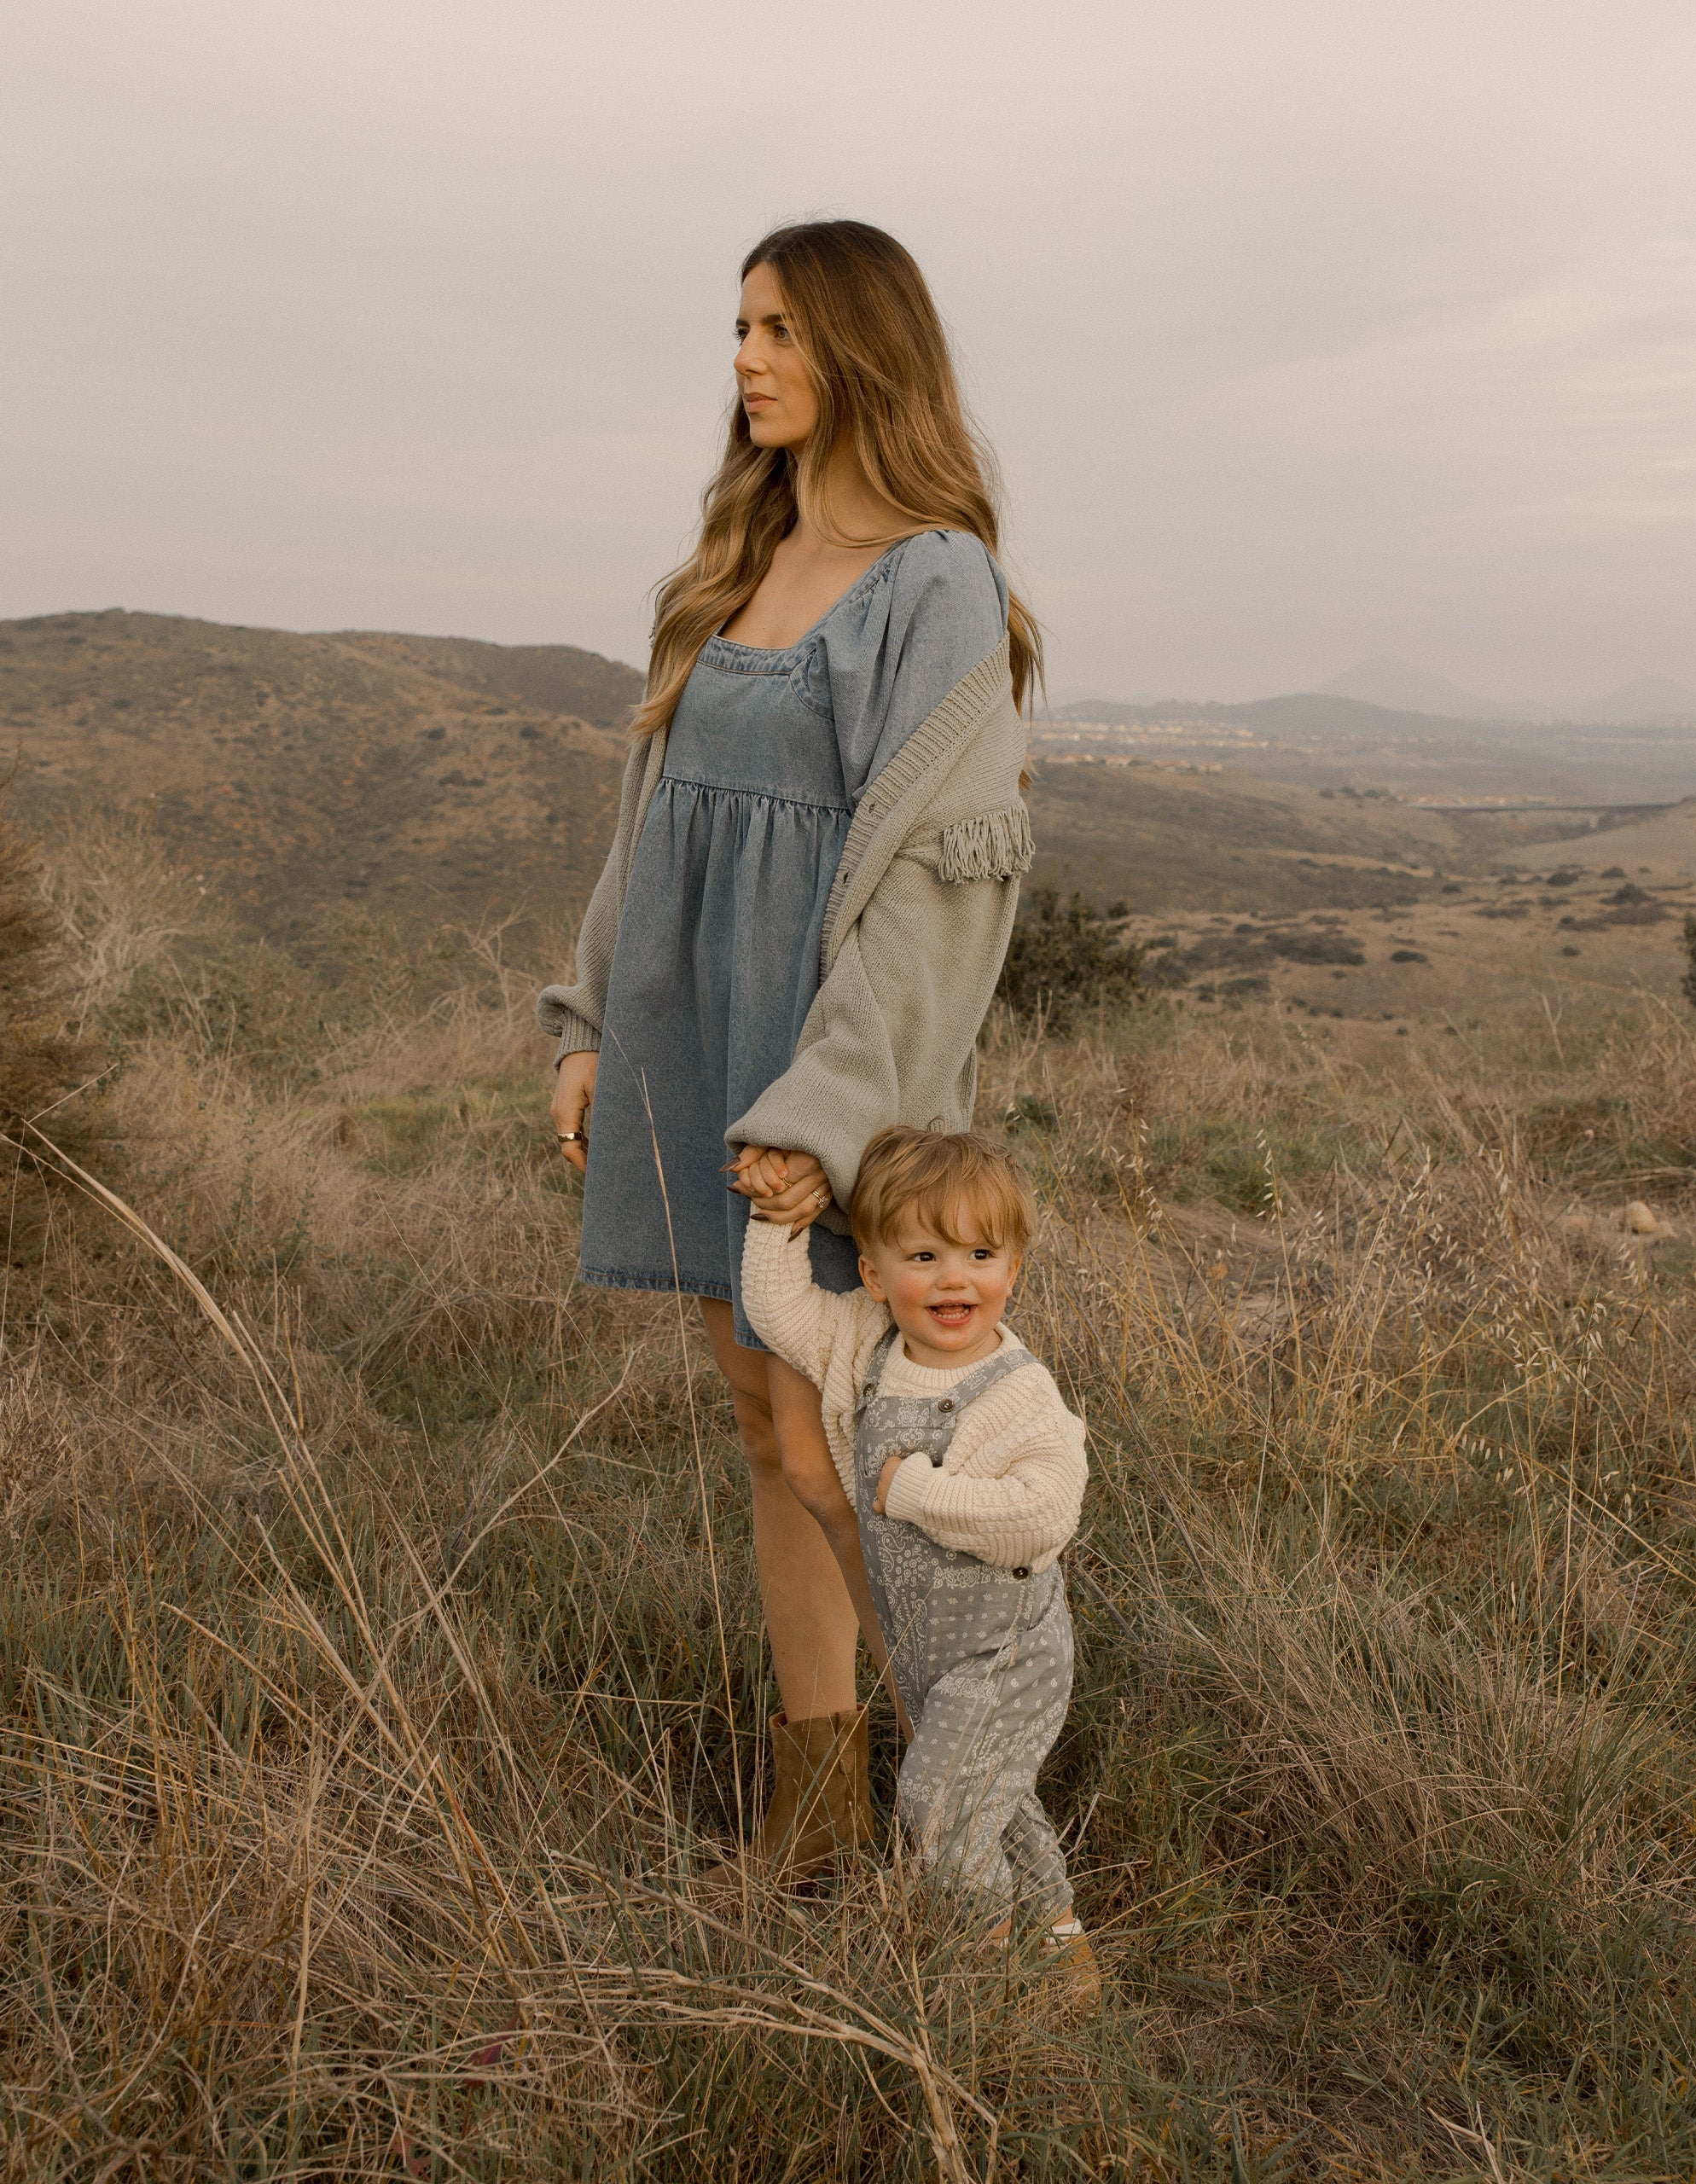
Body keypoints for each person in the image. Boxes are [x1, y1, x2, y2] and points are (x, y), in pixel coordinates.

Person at [540, 219, 1041, 1873]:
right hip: (697, 1050)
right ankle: (812, 1811)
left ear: (861, 350)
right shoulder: (739, 561)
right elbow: (657, 826)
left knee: (857, 1451)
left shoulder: (936, 578)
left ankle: (982, 1820)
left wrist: (826, 1113)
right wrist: (593, 1023)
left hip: (827, 1076)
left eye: (779, 328)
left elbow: (944, 880)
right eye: (739, 326)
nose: (746, 357)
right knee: (768, 1428)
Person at [742, 1126, 1095, 1996]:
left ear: (1011, 1270)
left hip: (1007, 1655)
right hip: (931, 1650)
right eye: (923, 1253)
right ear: (871, 1275)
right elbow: (777, 1310)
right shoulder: (868, 1345)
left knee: (939, 1806)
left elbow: (1042, 1516)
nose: (952, 1278)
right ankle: (1060, 1955)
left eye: (980, 1253)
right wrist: (775, 1209)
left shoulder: (1017, 1394)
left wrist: (915, 1492)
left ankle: (974, 1973)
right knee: (997, 1806)